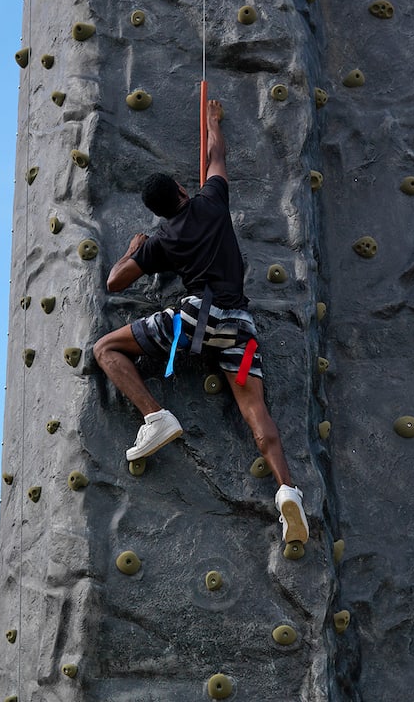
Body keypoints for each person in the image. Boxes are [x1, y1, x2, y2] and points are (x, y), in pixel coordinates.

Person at [91, 99, 310, 549]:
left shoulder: (162, 239)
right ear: (182, 190)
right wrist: (212, 123)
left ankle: (155, 416)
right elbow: (216, 158)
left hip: (195, 317)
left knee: (105, 349)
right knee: (256, 412)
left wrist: (135, 249)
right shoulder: (212, 201)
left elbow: (114, 281)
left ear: (159, 210)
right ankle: (287, 489)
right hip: (240, 326)